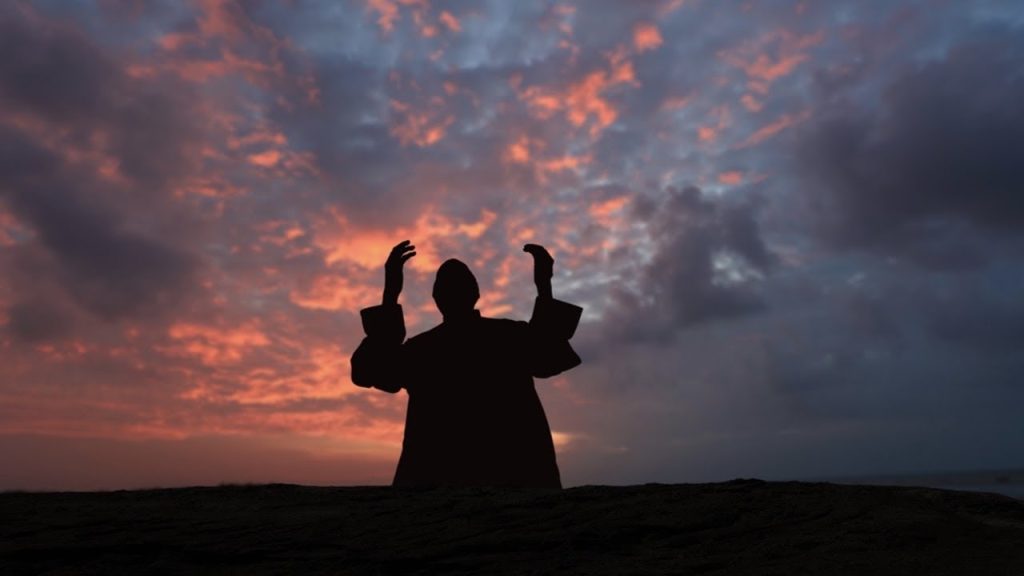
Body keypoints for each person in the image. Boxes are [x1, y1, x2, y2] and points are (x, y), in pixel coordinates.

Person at [351, 240, 583, 488]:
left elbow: (372, 370)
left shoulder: (421, 350)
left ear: (436, 299)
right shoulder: (509, 336)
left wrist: (390, 294)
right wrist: (544, 286)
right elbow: (550, 355)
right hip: (514, 475)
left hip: (438, 480)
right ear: (476, 294)